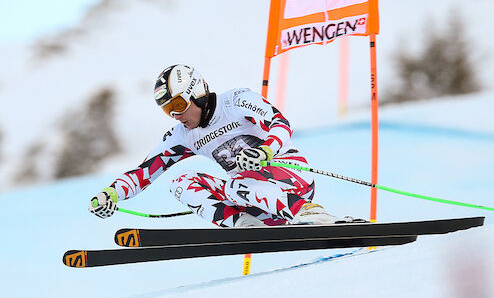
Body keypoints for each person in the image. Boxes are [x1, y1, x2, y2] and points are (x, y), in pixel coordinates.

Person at [89, 64, 353, 227]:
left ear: (197, 93)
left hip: (291, 181)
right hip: (255, 200)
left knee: (237, 184)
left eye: (178, 105)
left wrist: (266, 150)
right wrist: (111, 194)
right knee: (181, 183)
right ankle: (246, 227)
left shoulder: (236, 102)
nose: (175, 115)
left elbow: (280, 122)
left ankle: (310, 212)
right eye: (167, 109)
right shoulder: (183, 135)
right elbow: (145, 172)